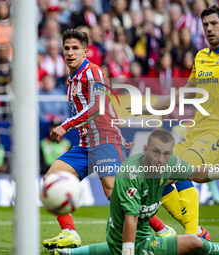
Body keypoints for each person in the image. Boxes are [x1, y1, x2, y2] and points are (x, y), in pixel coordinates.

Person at [134, 5, 219, 241]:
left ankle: (189, 233)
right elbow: (184, 94)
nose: (209, 28)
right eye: (205, 25)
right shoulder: (201, 57)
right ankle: (197, 232)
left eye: (214, 23)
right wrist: (148, 108)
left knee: (175, 171)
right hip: (195, 132)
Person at [50, 129, 219, 255]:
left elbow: (195, 173)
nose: (161, 159)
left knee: (193, 241)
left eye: (166, 154)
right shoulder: (130, 174)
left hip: (143, 236)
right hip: (126, 241)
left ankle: (71, 252)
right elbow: (130, 220)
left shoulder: (169, 162)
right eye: (156, 153)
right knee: (195, 243)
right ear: (146, 150)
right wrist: (129, 252)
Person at [42, 28, 136, 249]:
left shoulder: (93, 72)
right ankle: (69, 232)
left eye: (75, 48)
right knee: (51, 179)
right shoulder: (72, 78)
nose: (70, 52)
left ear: (85, 52)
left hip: (104, 139)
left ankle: (160, 228)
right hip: (86, 144)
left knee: (115, 192)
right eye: (67, 48)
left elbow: (98, 105)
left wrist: (66, 125)